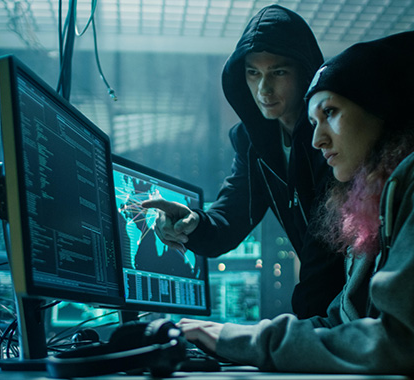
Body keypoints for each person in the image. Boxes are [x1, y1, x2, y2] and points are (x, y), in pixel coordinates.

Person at [175, 30, 414, 379]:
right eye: (313, 122)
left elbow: (403, 344)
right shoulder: (380, 202)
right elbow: (341, 321)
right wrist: (232, 337)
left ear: (379, 109)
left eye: (330, 112)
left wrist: (249, 342)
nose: (316, 139)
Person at [142, 4, 344, 319]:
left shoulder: (334, 133)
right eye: (253, 73)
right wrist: (193, 223)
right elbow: (229, 220)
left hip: (362, 305)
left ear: (305, 73)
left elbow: (328, 252)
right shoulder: (253, 144)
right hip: (324, 315)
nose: (264, 89)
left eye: (278, 72)